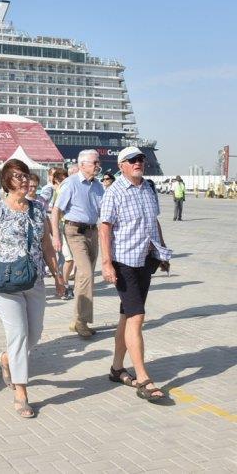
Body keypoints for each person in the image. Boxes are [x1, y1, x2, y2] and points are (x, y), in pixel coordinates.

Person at [0, 159, 65, 418]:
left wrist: (58, 277)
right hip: (5, 283)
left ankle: (7, 359)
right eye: (18, 176)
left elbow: (46, 247)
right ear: (7, 181)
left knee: (34, 334)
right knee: (18, 334)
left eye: (26, 175)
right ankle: (21, 392)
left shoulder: (38, 210)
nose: (24, 180)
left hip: (34, 280)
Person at [100, 147, 171, 402]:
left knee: (127, 316)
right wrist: (106, 263)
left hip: (145, 260)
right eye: (132, 160)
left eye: (140, 159)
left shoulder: (149, 188)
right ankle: (143, 378)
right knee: (137, 316)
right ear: (122, 166)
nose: (138, 163)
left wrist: (161, 252)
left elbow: (154, 222)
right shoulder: (114, 192)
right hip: (124, 262)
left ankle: (117, 368)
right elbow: (104, 229)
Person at [51, 150, 104, 338]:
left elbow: (104, 210)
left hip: (92, 231)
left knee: (83, 277)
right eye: (94, 162)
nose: (98, 165)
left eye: (98, 162)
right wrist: (56, 236)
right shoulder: (71, 183)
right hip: (74, 231)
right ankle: (82, 322)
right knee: (87, 273)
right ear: (82, 165)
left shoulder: (98, 186)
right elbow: (56, 211)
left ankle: (76, 320)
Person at [50, 169, 74, 300]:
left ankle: (63, 285)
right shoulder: (59, 190)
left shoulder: (64, 189)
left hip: (68, 228)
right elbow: (55, 211)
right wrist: (56, 234)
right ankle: (63, 285)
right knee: (67, 258)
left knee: (66, 259)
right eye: (61, 178)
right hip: (63, 227)